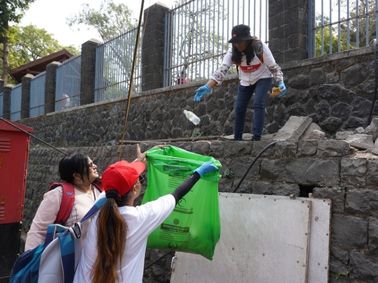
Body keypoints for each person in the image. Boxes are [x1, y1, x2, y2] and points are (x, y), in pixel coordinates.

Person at [73, 146, 218, 283]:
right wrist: (198, 173)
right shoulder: (141, 218)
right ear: (136, 188)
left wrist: (138, 162)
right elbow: (176, 194)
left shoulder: (99, 207)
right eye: (138, 178)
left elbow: (117, 181)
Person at [194, 24, 287, 141]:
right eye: (234, 42)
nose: (237, 45)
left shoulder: (259, 47)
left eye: (239, 41)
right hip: (245, 80)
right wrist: (208, 86)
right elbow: (222, 70)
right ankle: (237, 138)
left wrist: (280, 82)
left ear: (247, 40)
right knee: (239, 107)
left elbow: (273, 67)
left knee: (259, 103)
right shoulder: (232, 52)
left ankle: (256, 137)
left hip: (263, 77)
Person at [24, 153, 101, 251]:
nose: (95, 166)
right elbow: (38, 231)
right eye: (90, 165)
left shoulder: (101, 191)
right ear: (77, 175)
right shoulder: (58, 195)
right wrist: (31, 261)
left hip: (100, 259)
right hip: (70, 261)